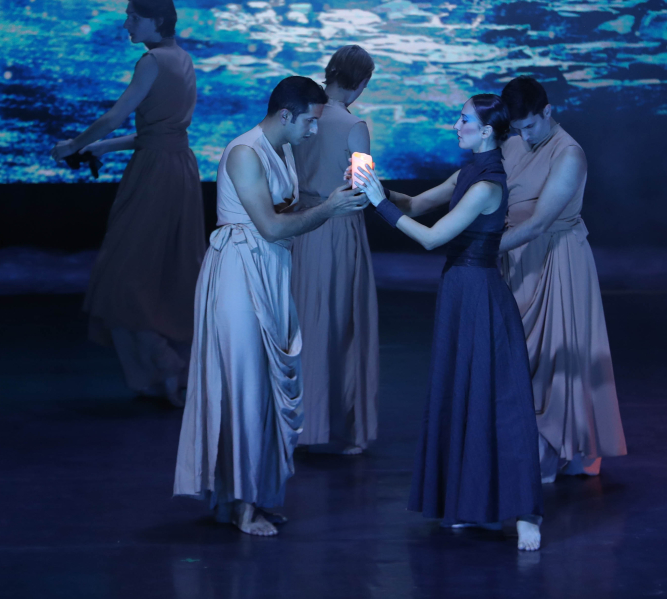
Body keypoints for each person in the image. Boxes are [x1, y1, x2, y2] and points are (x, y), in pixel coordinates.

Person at [174, 77, 366, 537]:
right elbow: (272, 226)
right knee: (244, 387)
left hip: (270, 269)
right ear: (285, 115)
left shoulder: (282, 150)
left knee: (259, 387)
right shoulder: (245, 152)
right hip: (239, 273)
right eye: (309, 122)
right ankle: (242, 506)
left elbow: (283, 214)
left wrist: (334, 197)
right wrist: (329, 210)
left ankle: (242, 499)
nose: (313, 130)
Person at [355, 94, 543, 551]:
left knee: (496, 399)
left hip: (479, 294)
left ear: (486, 131)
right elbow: (416, 204)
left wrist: (379, 204)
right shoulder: (468, 173)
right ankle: (475, 506)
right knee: (464, 395)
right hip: (459, 291)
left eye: (463, 120)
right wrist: (373, 186)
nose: (455, 126)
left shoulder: (487, 186)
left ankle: (525, 511)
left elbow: (432, 238)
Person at [51, 0, 205, 407]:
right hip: (179, 169)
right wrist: (101, 148)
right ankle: (167, 372)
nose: (126, 24)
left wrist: (73, 145)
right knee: (164, 272)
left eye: (133, 17)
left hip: (155, 175)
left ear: (158, 20)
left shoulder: (151, 61)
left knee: (124, 276)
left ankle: (165, 365)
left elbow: (115, 116)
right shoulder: (182, 58)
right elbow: (159, 132)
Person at [498, 76, 626, 483]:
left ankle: (560, 450)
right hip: (517, 260)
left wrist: (483, 248)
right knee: (522, 358)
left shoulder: (569, 153)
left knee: (559, 355)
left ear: (548, 112)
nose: (524, 136)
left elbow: (539, 223)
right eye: (517, 128)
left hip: (557, 258)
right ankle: (529, 447)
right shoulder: (513, 143)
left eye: (530, 126)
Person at [291, 45, 378, 455]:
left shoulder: (301, 114)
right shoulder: (353, 126)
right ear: (361, 82)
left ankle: (296, 424)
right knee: (342, 326)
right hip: (338, 229)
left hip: (298, 226)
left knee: (300, 324)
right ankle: (343, 428)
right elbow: (363, 189)